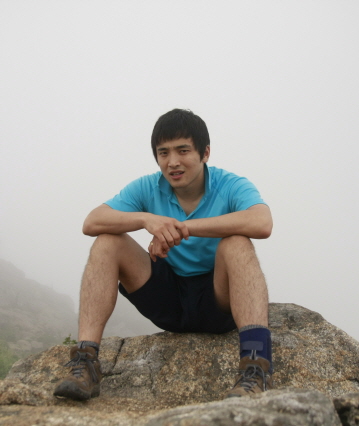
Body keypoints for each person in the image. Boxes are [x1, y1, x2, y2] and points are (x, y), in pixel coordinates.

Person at [53, 109, 274, 402]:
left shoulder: (231, 185)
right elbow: (92, 222)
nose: (172, 162)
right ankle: (85, 361)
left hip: (218, 301)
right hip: (168, 299)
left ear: (205, 153)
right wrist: (147, 220)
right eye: (163, 152)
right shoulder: (148, 186)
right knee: (107, 242)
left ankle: (256, 369)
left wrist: (181, 228)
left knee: (236, 243)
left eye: (183, 150)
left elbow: (262, 223)